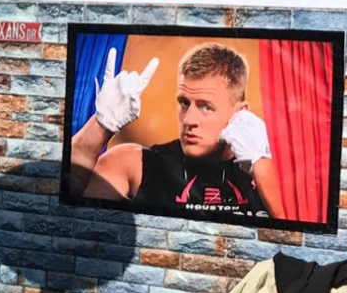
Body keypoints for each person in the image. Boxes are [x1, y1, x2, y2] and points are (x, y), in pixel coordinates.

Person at [68, 43, 275, 216]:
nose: (189, 119)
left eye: (205, 106)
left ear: (240, 113)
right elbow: (67, 213)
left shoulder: (275, 175)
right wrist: (101, 125)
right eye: (184, 103)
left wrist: (262, 168)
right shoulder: (134, 164)